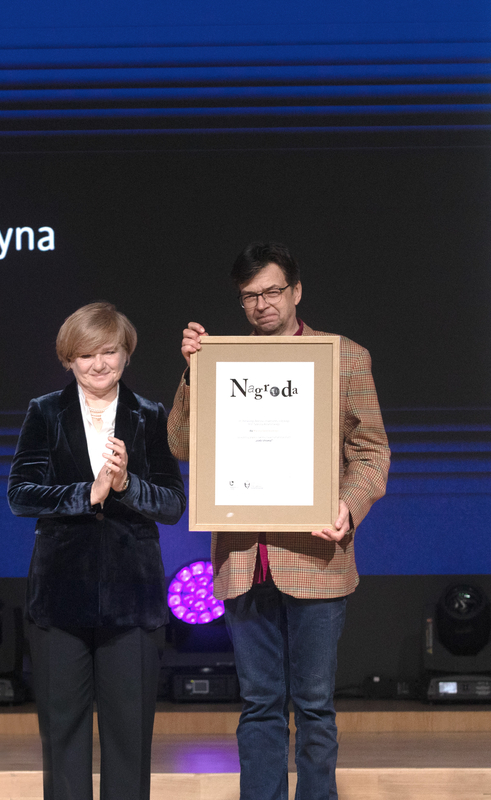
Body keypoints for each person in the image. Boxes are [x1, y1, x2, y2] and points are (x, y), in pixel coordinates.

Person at [166, 242, 390, 800]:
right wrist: (194, 374)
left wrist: (347, 506)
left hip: (315, 559)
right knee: (259, 705)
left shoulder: (344, 357)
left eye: (271, 291)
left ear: (296, 291)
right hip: (244, 563)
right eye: (249, 296)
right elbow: (181, 445)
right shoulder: (220, 361)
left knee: (314, 706)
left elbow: (371, 453)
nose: (262, 304)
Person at [8, 301, 186, 800]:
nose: (99, 364)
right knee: (63, 736)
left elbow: (173, 504)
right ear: (69, 359)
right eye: (86, 355)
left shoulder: (150, 415)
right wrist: (87, 493)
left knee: (129, 738)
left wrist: (127, 485)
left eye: (109, 351)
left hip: (132, 599)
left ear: (126, 353)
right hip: (60, 596)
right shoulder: (45, 411)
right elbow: (20, 495)